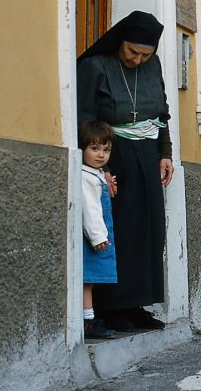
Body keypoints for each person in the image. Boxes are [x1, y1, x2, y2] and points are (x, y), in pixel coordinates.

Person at [77, 11, 173, 331]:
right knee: (120, 230)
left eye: (145, 54)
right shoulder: (95, 66)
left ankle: (137, 304)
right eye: (132, 51)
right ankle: (112, 306)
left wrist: (165, 154)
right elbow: (84, 117)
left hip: (147, 156)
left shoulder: (152, 66)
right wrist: (95, 165)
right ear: (121, 42)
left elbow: (162, 113)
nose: (137, 59)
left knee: (149, 230)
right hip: (111, 156)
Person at [79, 120, 119, 339]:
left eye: (106, 150)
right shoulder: (86, 178)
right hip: (93, 237)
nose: (101, 155)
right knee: (88, 279)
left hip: (98, 235)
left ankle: (89, 318)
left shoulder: (95, 175)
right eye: (94, 148)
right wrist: (97, 236)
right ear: (83, 148)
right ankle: (88, 321)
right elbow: (90, 210)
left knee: (91, 280)